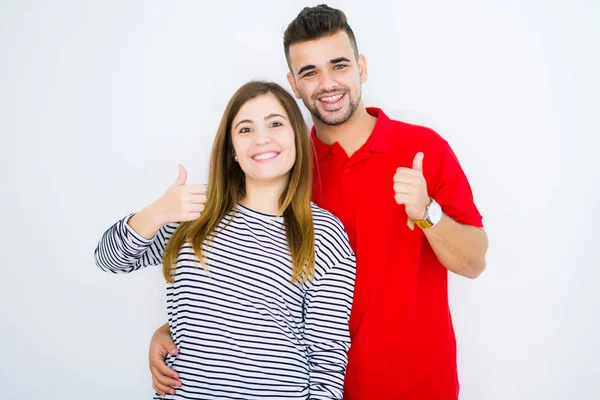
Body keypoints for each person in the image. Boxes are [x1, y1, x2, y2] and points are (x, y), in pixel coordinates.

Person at [148, 5, 489, 400]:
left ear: (361, 67)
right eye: (310, 72)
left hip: (416, 386)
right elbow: (243, 281)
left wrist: (427, 213)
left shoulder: (423, 149)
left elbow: (474, 262)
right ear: (293, 83)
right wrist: (175, 329)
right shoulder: (281, 171)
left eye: (339, 65)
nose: (327, 83)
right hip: (309, 388)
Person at [94, 80, 356, 399]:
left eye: (275, 124)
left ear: (298, 138)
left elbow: (327, 356)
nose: (262, 138)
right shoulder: (194, 212)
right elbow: (109, 260)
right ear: (232, 149)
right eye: (245, 129)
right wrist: (158, 211)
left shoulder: (323, 233)